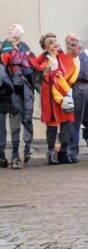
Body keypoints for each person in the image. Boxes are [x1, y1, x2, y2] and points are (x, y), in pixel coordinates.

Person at [29, 34, 78, 165]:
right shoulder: (43, 60)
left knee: (65, 124)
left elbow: (71, 72)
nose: (55, 44)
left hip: (63, 95)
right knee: (51, 124)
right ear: (46, 47)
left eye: (55, 41)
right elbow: (39, 75)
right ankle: (51, 154)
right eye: (51, 42)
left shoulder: (65, 59)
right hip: (49, 95)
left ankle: (63, 153)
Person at [0, 24, 36, 166]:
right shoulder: (5, 52)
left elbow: (30, 69)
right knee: (3, 128)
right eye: (10, 31)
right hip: (5, 93)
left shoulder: (23, 52)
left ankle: (17, 154)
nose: (12, 32)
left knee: (18, 125)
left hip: (19, 92)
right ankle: (6, 156)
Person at [64, 34, 88, 163]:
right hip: (84, 88)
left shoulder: (71, 56)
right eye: (70, 42)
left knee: (76, 122)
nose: (72, 45)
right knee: (87, 122)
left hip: (76, 88)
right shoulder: (86, 54)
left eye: (73, 41)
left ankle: (74, 153)